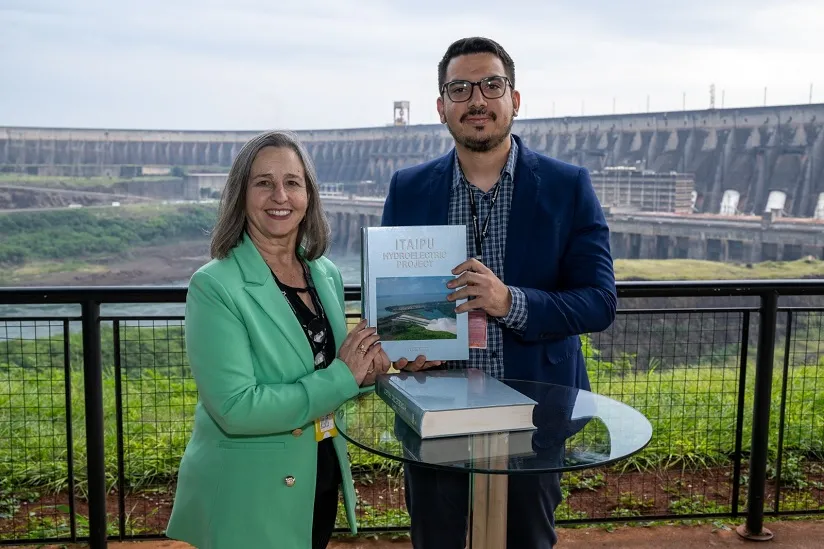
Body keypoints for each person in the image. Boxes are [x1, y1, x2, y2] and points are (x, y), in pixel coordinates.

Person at [380, 37, 617, 548]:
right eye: (460, 89)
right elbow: (392, 300)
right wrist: (403, 346)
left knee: (527, 541)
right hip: (436, 410)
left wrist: (510, 302)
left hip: (534, 412)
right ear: (441, 107)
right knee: (436, 541)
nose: (477, 100)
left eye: (492, 85)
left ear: (515, 99)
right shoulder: (408, 188)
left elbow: (599, 301)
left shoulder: (566, 186)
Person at [166, 130, 391, 549]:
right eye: (264, 183)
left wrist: (366, 372)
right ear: (241, 194)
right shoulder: (215, 286)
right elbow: (235, 408)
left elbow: (330, 373)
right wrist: (344, 377)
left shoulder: (324, 274)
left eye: (292, 182)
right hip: (251, 493)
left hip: (317, 476)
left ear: (309, 195)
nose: (280, 196)